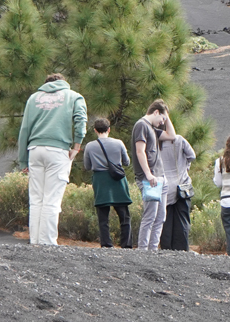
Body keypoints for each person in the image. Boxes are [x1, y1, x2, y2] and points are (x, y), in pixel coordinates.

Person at [18, 73, 88, 246]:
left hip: (34, 149)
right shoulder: (73, 96)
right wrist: (77, 146)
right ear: (63, 82)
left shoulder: (34, 98)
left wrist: (22, 160)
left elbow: (24, 129)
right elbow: (81, 121)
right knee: (52, 199)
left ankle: (35, 241)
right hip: (57, 150)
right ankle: (48, 243)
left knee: (36, 199)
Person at [132, 99, 176, 251]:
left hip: (161, 178)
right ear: (156, 112)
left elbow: (171, 135)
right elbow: (140, 151)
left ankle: (153, 248)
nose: (163, 123)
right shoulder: (141, 125)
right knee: (150, 215)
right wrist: (148, 174)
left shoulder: (152, 128)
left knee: (160, 217)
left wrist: (166, 115)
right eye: (162, 119)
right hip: (149, 178)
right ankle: (143, 250)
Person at [83, 118, 132, 248]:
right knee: (124, 216)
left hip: (100, 180)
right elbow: (127, 162)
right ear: (109, 129)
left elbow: (87, 166)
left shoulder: (90, 146)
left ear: (95, 130)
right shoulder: (119, 143)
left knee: (103, 217)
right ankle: (126, 244)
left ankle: (106, 244)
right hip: (118, 180)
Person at [160, 134, 196, 251]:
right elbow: (192, 156)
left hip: (164, 187)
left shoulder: (155, 143)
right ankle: (182, 250)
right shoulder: (179, 140)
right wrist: (185, 167)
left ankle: (166, 249)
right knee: (182, 220)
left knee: (166, 221)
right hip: (182, 186)